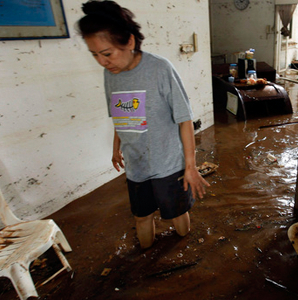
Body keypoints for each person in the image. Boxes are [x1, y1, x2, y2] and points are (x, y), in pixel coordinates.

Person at [77, 0, 210, 249]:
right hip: (136, 165)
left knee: (178, 219)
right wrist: (116, 147)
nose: (102, 62)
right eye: (94, 55)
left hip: (168, 164)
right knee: (142, 217)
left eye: (107, 53)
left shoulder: (160, 69)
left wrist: (190, 166)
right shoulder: (110, 74)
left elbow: (184, 119)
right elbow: (120, 114)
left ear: (129, 41)